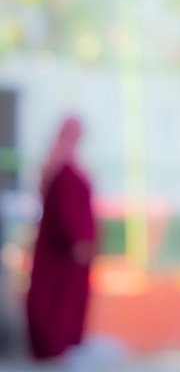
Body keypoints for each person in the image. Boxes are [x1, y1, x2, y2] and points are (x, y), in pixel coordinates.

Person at [26, 116, 96, 363]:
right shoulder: (60, 168)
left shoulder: (69, 165)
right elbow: (64, 210)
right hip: (61, 252)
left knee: (68, 303)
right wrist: (75, 240)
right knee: (53, 305)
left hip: (72, 255)